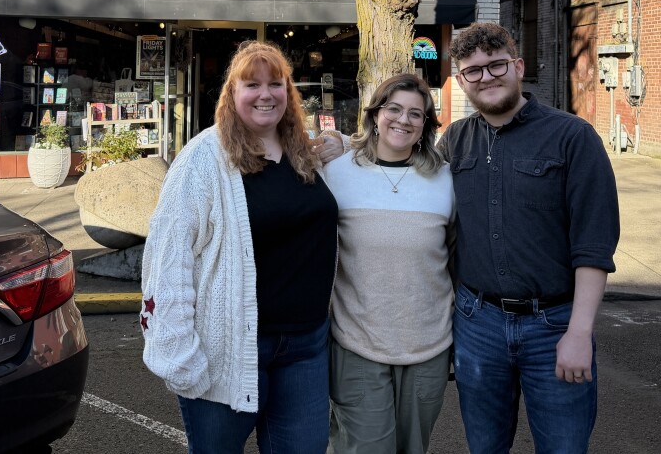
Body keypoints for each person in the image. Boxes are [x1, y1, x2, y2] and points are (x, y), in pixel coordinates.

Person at [140, 40, 338, 454]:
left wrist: (348, 146)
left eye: (276, 83)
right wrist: (177, 353)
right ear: (232, 94)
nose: (266, 94)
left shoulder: (304, 151)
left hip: (305, 346)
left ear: (289, 91)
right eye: (252, 84)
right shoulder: (204, 159)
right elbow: (168, 257)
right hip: (227, 349)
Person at [438, 22, 620, 454]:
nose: (486, 77)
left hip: (554, 324)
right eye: (473, 71)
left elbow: (594, 245)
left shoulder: (572, 137)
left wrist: (579, 333)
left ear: (517, 65)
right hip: (477, 323)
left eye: (496, 65)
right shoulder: (453, 143)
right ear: (461, 80)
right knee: (484, 447)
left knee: (563, 447)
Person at [324, 74, 455, 454]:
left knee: (414, 448)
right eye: (393, 109)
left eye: (417, 114)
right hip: (356, 343)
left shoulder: (446, 180)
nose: (403, 120)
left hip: (428, 346)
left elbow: (455, 255)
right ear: (375, 114)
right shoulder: (336, 172)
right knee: (363, 447)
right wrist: (339, 140)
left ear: (427, 125)